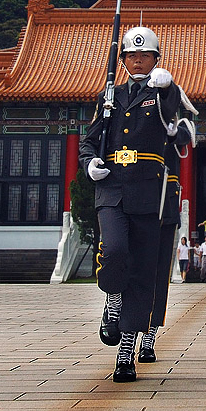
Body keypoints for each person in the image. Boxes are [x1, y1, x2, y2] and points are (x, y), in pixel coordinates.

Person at [79, 26, 181, 383]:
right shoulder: (108, 96)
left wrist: (166, 88)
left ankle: (126, 350)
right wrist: (89, 161)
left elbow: (175, 120)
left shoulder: (162, 93)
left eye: (146, 55)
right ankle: (112, 300)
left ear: (156, 59)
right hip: (111, 189)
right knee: (115, 251)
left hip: (148, 194)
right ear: (122, 60)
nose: (138, 60)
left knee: (142, 275)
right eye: (132, 55)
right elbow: (89, 140)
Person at [139, 117, 195, 363]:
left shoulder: (172, 117)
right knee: (132, 270)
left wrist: (171, 130)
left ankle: (149, 335)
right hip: (133, 200)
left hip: (164, 205)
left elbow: (186, 134)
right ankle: (127, 328)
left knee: (159, 275)